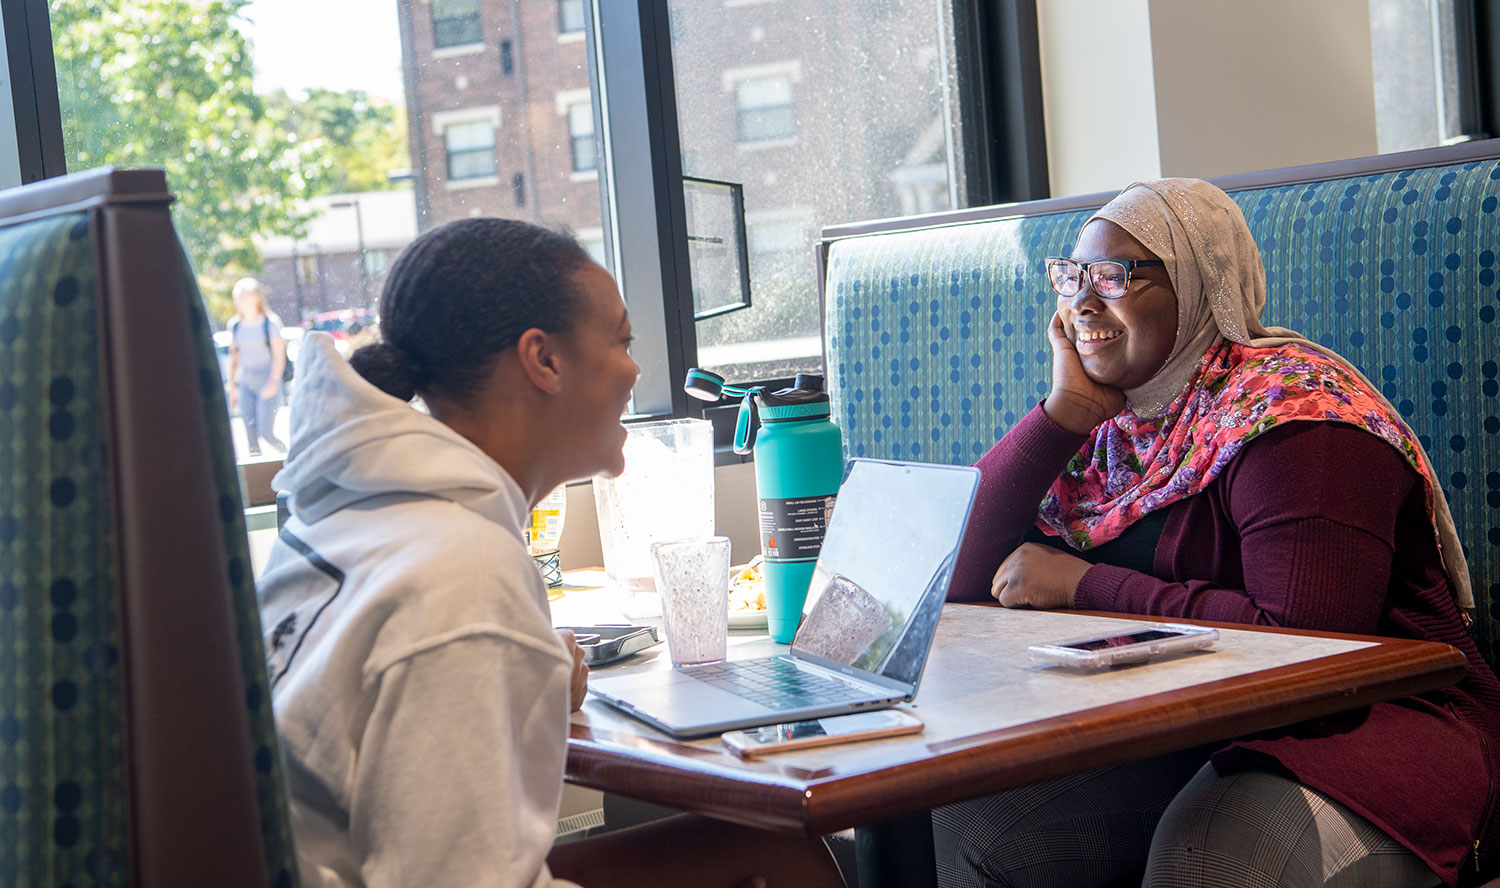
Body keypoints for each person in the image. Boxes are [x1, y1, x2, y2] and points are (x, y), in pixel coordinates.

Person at [935, 179, 1500, 888]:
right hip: (1177, 725)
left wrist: (1085, 584)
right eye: (1071, 276)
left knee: (1210, 857)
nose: (1082, 301)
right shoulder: (1111, 427)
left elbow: (1308, 641)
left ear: (1203, 288)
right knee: (975, 826)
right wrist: (1063, 412)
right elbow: (948, 575)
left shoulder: (1297, 415)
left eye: (1114, 276)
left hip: (1378, 725)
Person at [256, 218, 845, 888]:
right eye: (621, 340)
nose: (634, 369)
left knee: (768, 847)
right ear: (544, 360)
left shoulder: (350, 515)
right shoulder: (463, 572)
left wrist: (523, 678)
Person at [227, 276, 287, 455]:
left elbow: (279, 356)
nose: (240, 299)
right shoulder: (235, 325)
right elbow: (235, 358)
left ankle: (291, 459)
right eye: (238, 296)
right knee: (251, 437)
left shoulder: (270, 323)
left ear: (256, 298)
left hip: (267, 381)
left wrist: (273, 382)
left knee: (266, 433)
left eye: (245, 295)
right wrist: (233, 387)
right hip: (246, 383)